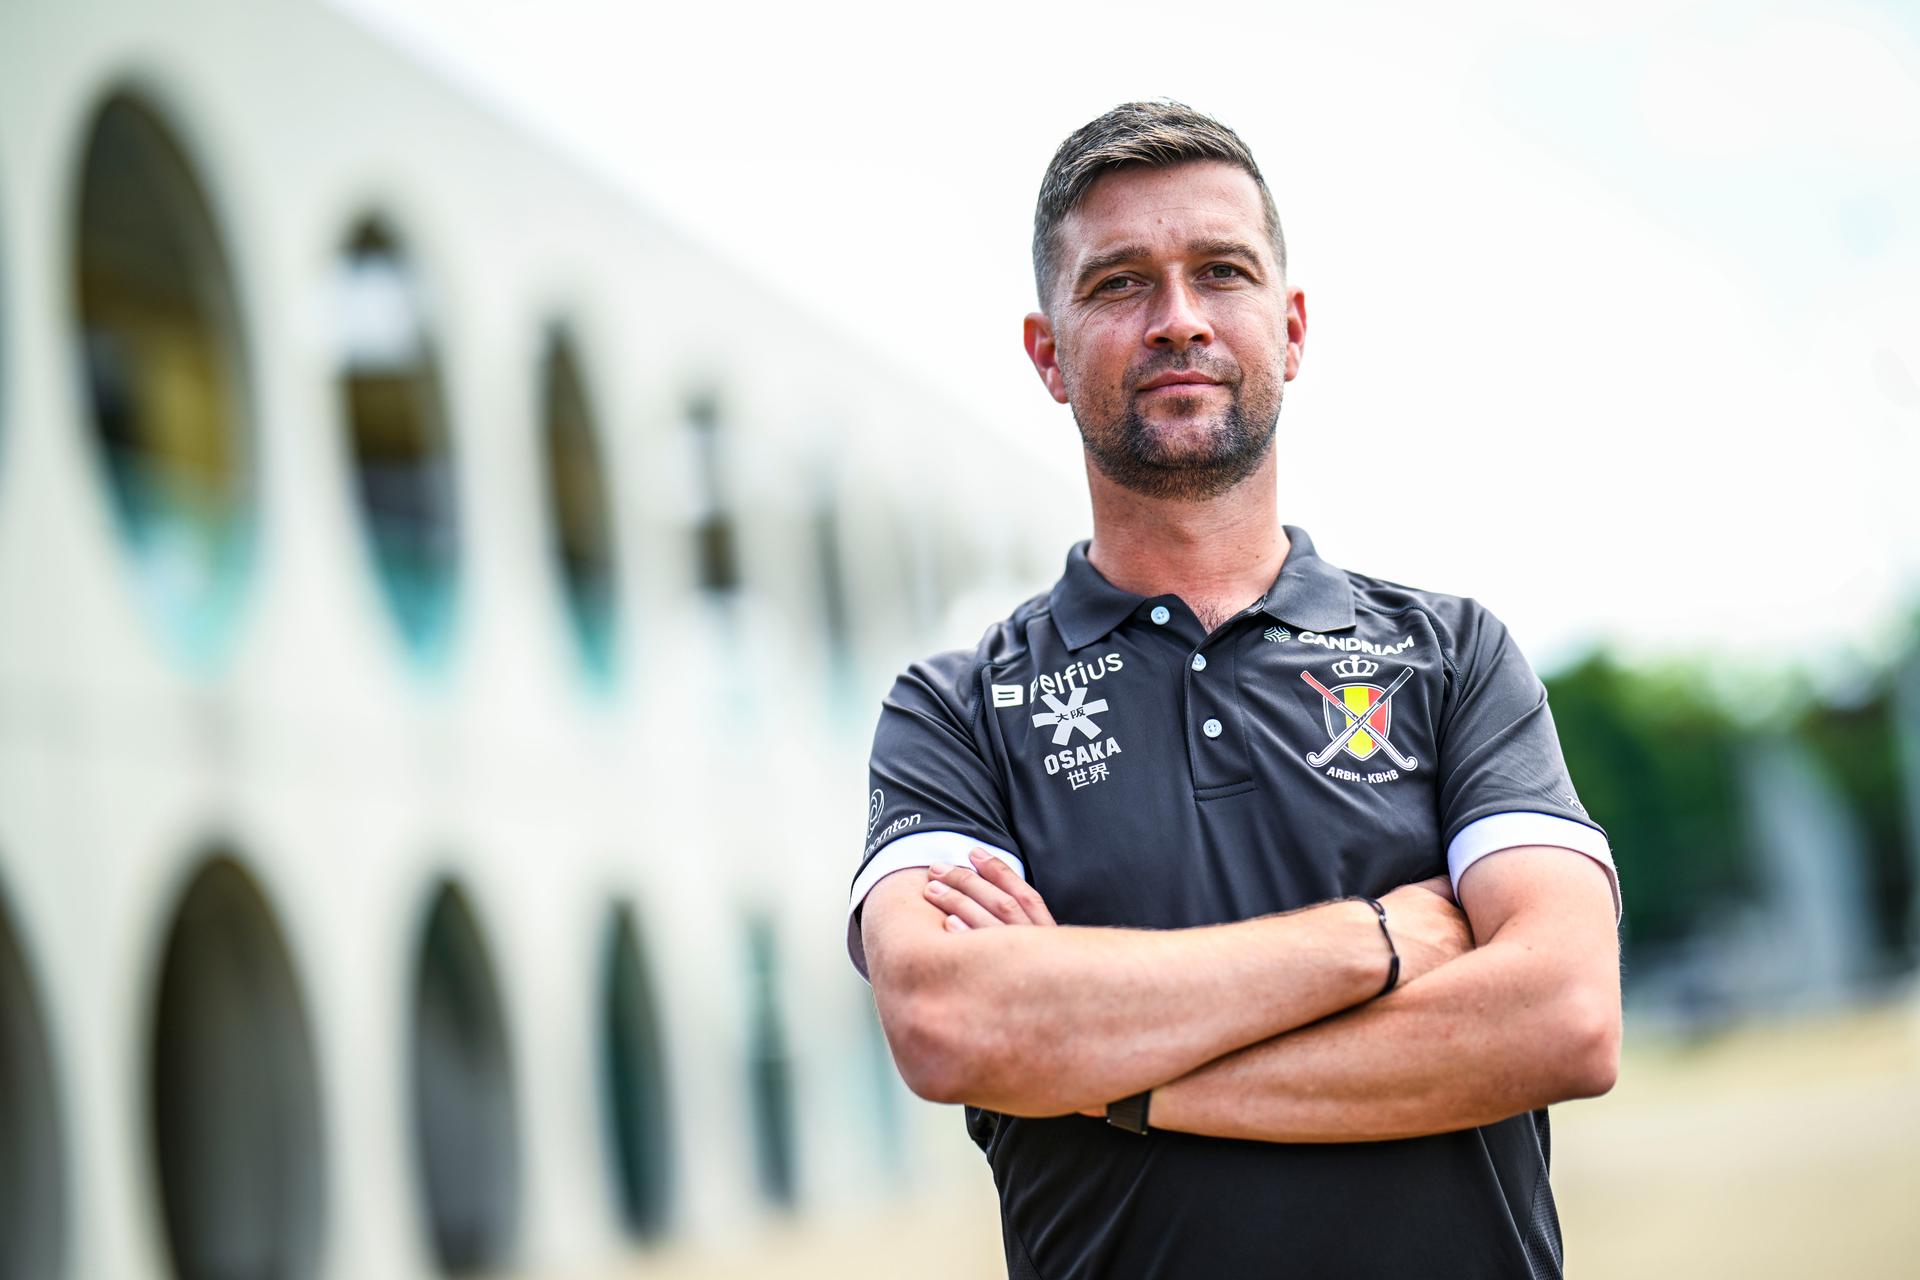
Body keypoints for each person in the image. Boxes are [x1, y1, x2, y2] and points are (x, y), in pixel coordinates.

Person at [846, 100, 1621, 1280]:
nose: (1179, 320)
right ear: (1046, 352)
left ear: (1292, 325)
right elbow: (957, 1020)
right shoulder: (955, 710)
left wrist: (1119, 1077)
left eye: (1222, 272)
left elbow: (1563, 1014)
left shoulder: (1453, 655)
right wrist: (1377, 939)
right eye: (1117, 285)